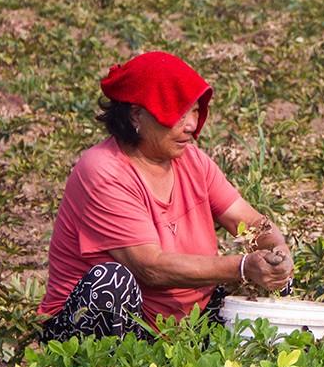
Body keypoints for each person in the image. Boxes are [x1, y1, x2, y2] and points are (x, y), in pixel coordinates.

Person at [37, 51, 293, 343]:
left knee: (268, 278)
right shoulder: (104, 171)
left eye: (195, 111)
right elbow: (150, 268)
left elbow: (250, 222)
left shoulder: (193, 161)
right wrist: (242, 267)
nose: (191, 125)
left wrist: (278, 250)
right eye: (179, 113)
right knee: (112, 283)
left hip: (182, 321)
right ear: (136, 115)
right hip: (111, 322)